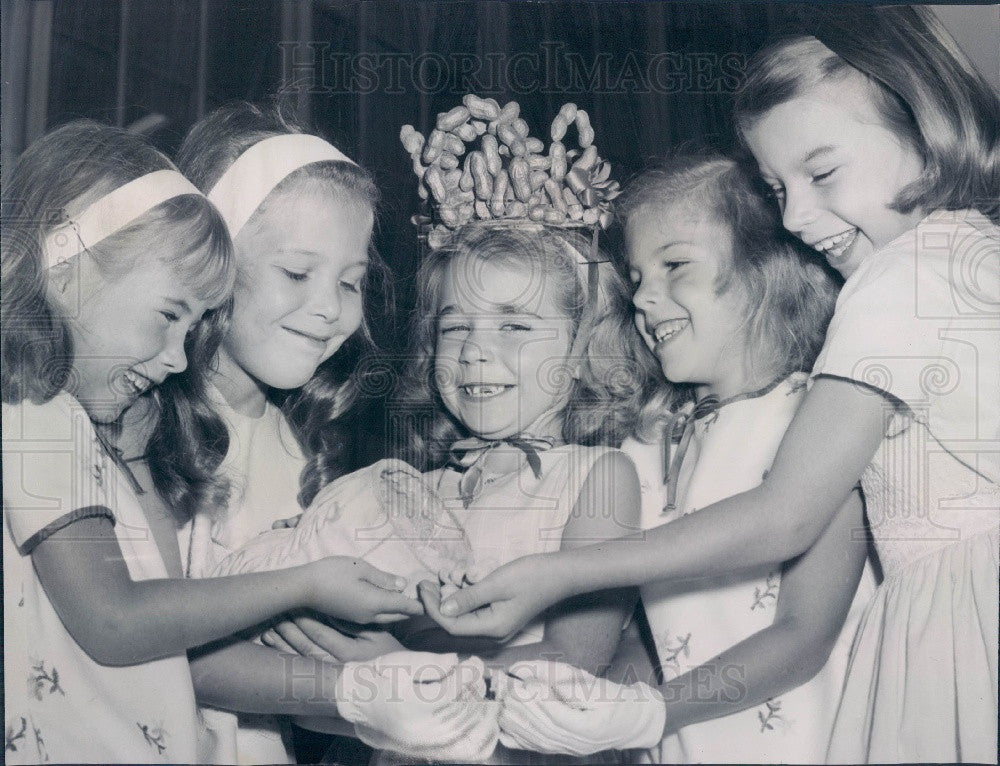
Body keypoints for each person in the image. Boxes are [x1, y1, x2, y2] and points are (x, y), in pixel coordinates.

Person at [426, 8, 999, 762]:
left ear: (925, 123)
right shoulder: (966, 257)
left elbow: (784, 517)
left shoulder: (903, 277)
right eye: (776, 185)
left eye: (821, 172)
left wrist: (555, 573)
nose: (796, 215)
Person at [1, 120, 419, 764]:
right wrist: (358, 683)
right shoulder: (102, 419)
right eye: (297, 272)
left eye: (351, 281)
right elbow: (145, 629)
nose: (330, 309)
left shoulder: (311, 451)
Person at [214, 224, 663, 763]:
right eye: (455, 329)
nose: (475, 350)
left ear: (582, 349)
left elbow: (577, 663)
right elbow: (321, 689)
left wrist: (402, 667)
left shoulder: (598, 475)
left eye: (515, 325)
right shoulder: (408, 492)